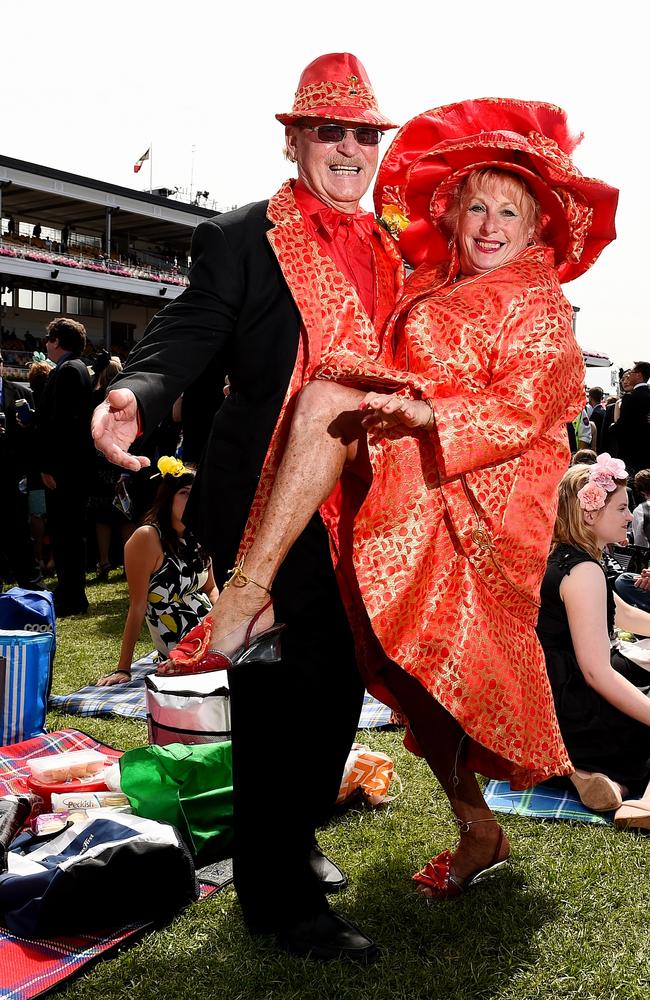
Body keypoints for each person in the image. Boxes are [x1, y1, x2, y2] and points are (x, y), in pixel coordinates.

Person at [162, 102, 617, 898]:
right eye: (475, 205)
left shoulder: (538, 302)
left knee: (434, 662)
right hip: (408, 480)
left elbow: (526, 407)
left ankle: (244, 597)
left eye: (508, 210)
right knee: (408, 671)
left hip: (478, 498)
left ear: (538, 222)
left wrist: (427, 412)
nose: (487, 224)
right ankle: (477, 824)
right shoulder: (433, 277)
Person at [92, 53, 403, 961]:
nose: (349, 148)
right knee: (281, 687)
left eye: (363, 133)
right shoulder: (239, 237)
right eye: (330, 130)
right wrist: (139, 394)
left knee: (339, 684)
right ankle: (277, 903)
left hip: (366, 503)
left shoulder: (393, 244)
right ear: (295, 137)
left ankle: (288, 831)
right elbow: (186, 333)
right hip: (267, 501)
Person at [537, 458, 650, 828]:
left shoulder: (571, 559)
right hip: (573, 706)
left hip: (554, 698)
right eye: (621, 507)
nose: (630, 516)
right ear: (589, 514)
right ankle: (635, 799)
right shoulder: (584, 571)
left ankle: (581, 773)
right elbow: (596, 673)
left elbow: (628, 618)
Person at [97, 459, 217, 686]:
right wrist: (124, 669)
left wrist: (219, 620)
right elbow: (137, 606)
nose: (191, 501)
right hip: (181, 645)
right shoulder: (147, 538)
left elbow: (210, 588)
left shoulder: (197, 534)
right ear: (167, 497)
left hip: (212, 630)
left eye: (196, 494)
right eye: (184, 493)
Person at [37, 317, 94, 616]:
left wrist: (48, 464)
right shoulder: (74, 369)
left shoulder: (69, 370)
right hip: (72, 467)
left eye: (49, 338)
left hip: (65, 469)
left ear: (57, 341)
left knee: (66, 533)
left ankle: (71, 596)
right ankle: (71, 592)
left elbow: (61, 424)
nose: (46, 342)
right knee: (69, 533)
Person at [0, 350, 45, 591]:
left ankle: (31, 585)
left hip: (14, 475)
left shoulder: (22, 395)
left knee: (18, 530)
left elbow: (36, 437)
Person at [89, 354, 135, 580]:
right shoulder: (127, 400)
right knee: (125, 514)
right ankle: (128, 564)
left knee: (102, 517)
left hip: (101, 461)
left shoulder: (96, 398)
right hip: (123, 460)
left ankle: (104, 561)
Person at [611, 362, 650, 477]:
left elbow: (623, 427)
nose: (628, 376)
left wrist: (613, 427)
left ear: (639, 375)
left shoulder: (630, 398)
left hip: (630, 454)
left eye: (631, 373)